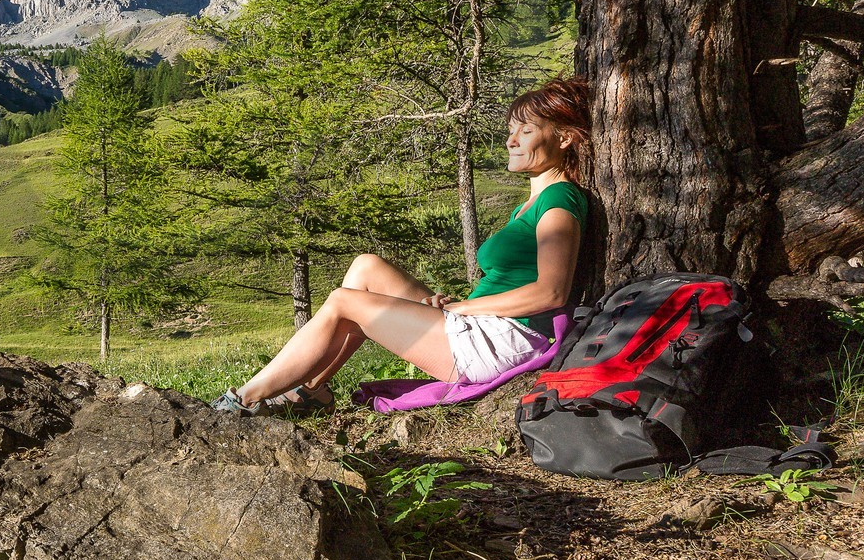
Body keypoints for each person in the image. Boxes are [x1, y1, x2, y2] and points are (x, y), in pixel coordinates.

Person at [211, 77, 592, 416]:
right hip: (481, 326)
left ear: (564, 138)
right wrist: (460, 309)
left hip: (500, 341)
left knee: (346, 302)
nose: (510, 140)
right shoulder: (530, 204)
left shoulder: (560, 199)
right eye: (511, 130)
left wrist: (462, 307)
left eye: (525, 131)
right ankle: (310, 390)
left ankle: (241, 401)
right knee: (366, 267)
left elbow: (551, 292)